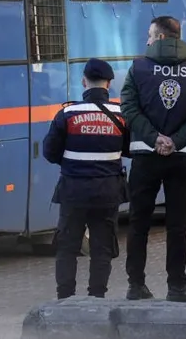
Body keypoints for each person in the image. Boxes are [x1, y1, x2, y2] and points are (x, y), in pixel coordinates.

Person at [120, 16, 186, 302]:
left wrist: (154, 138)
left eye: (150, 35)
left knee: (138, 222)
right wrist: (176, 140)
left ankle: (136, 285)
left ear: (161, 38)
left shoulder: (138, 68)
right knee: (177, 224)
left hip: (145, 156)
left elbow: (128, 107)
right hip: (182, 157)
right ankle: (178, 286)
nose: (147, 41)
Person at [42, 58, 127, 300]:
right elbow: (130, 149)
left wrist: (73, 164)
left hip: (73, 191)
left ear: (83, 82)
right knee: (102, 248)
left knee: (68, 247)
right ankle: (97, 297)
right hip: (108, 192)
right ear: (108, 84)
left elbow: (50, 152)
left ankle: (65, 298)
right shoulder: (121, 115)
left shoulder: (67, 114)